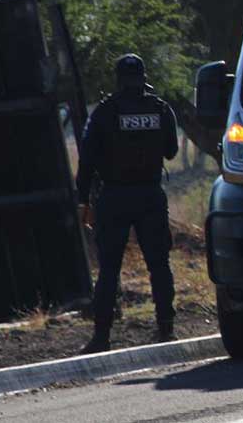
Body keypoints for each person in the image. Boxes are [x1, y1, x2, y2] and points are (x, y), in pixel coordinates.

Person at [77, 54, 179, 354]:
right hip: (150, 195)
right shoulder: (160, 109)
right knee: (159, 265)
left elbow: (87, 160)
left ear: (118, 79)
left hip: (114, 197)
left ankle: (101, 336)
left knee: (109, 268)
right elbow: (172, 151)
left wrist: (83, 198)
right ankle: (165, 329)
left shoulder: (105, 112)